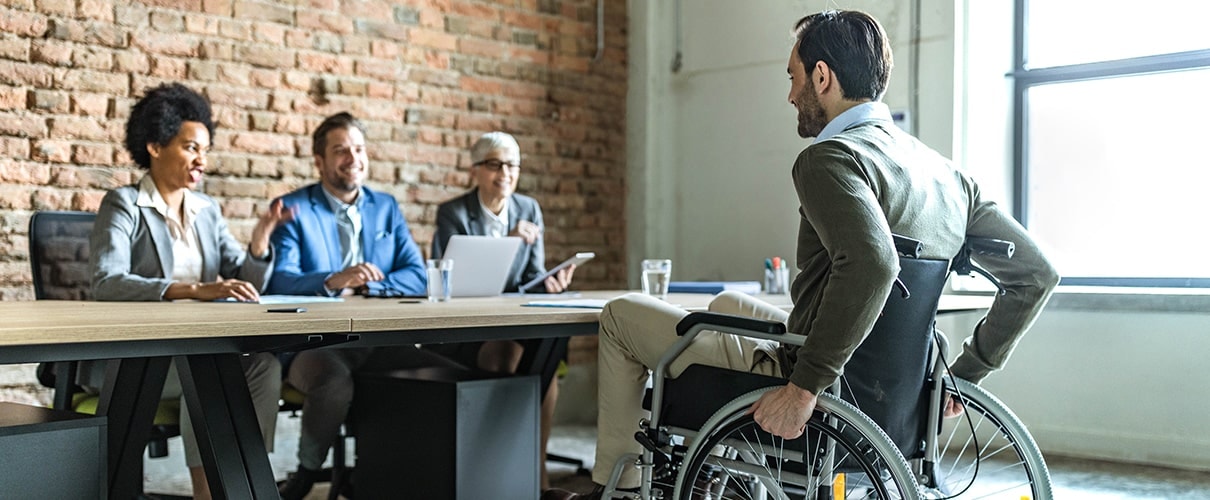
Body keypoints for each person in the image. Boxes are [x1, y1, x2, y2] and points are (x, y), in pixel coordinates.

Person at [541, 9, 1060, 500]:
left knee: (617, 317)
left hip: (822, 382)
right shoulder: (947, 176)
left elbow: (875, 264)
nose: (790, 95)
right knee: (725, 304)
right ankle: (708, 473)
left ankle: (617, 483)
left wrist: (804, 388)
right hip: (893, 391)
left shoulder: (831, 159)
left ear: (822, 77)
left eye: (792, 78)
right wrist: (967, 372)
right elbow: (1035, 274)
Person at [89, 83, 289, 500]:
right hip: (140, 358)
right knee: (212, 372)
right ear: (155, 146)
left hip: (198, 350)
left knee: (262, 366)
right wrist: (193, 290)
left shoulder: (206, 210)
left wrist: (259, 242)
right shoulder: (124, 204)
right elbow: (107, 282)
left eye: (205, 149)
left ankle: (236, 481)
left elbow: (243, 279)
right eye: (191, 147)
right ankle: (211, 493)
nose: (202, 160)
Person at [267, 112, 465, 500]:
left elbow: (415, 272)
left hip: (377, 340)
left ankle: (400, 474)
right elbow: (279, 281)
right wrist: (334, 280)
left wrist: (371, 287)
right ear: (319, 161)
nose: (352, 158)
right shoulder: (293, 208)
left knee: (450, 380)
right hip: (314, 344)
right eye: (340, 150)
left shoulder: (385, 207)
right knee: (333, 381)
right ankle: (307, 473)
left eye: (358, 148)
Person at [430, 131, 575, 489]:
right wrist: (508, 240)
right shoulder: (454, 213)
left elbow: (530, 277)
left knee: (546, 354)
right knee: (506, 353)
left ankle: (536, 470)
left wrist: (550, 283)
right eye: (494, 164)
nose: (505, 173)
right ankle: (500, 468)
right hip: (466, 326)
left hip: (516, 320)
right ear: (475, 170)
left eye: (512, 165)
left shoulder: (529, 209)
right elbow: (456, 280)